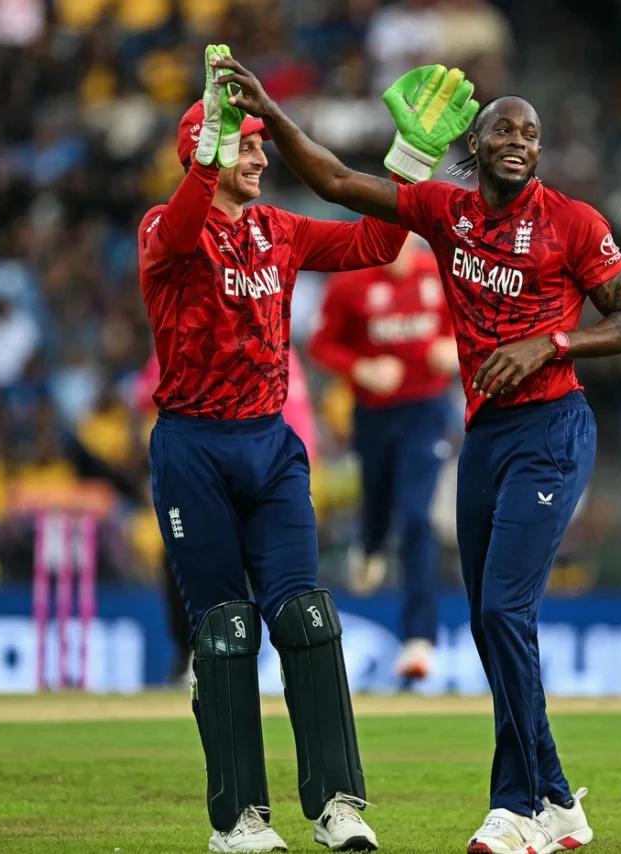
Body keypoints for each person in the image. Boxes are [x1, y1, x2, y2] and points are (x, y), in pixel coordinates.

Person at [213, 55, 621, 854]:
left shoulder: (575, 222)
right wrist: (273, 115)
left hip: (553, 428)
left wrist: (549, 343)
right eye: (505, 129)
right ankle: (558, 798)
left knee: (501, 611)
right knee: (491, 627)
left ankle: (515, 807)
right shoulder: (446, 212)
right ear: (475, 144)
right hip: (484, 436)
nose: (520, 140)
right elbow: (341, 185)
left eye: (532, 133)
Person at [139, 46, 472, 853]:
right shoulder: (164, 228)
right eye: (245, 142)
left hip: (271, 446)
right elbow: (183, 225)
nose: (261, 153)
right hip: (193, 449)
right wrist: (211, 145)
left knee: (307, 615)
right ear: (207, 151)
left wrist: (411, 162)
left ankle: (338, 807)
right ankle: (237, 821)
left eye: (257, 141)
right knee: (223, 630)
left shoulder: (278, 230)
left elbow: (374, 245)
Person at [308, 233, 459, 681]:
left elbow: (475, 322)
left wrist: (454, 347)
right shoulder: (350, 284)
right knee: (377, 495)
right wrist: (362, 369)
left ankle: (419, 639)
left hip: (427, 410)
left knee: (416, 516)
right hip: (372, 413)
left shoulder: (440, 275)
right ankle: (370, 544)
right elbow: (322, 344)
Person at [133, 348, 319, 685]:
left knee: (262, 576)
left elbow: (302, 425)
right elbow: (145, 396)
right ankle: (194, 652)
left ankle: (258, 658)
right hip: (213, 464)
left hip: (268, 466)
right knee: (196, 566)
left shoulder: (275, 344)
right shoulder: (198, 331)